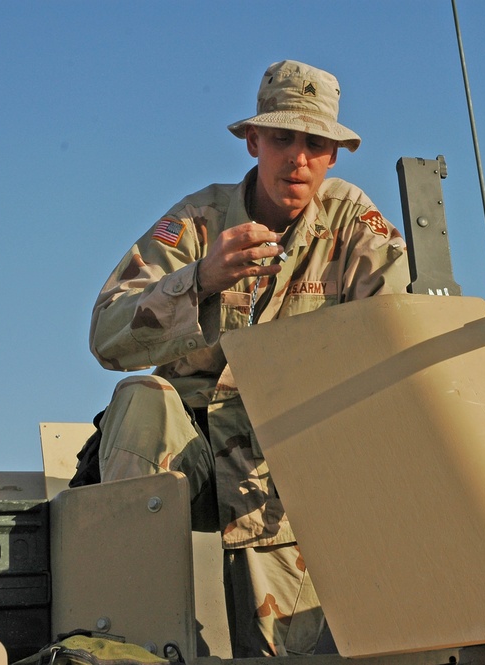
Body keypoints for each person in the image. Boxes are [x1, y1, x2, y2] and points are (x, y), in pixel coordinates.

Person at [88, 60, 410, 657]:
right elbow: (107, 336)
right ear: (253, 142)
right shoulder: (197, 222)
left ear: (334, 156)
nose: (299, 158)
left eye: (316, 144)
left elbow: (400, 337)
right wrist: (200, 280)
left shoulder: (355, 227)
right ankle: (131, 628)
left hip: (288, 464)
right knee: (140, 398)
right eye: (283, 139)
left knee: (277, 653)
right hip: (189, 454)